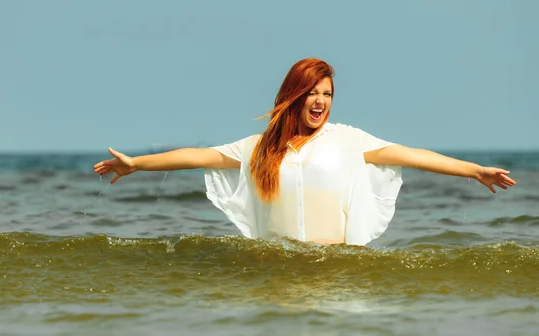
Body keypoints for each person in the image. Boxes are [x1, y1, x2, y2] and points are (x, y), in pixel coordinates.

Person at [93, 58, 516, 246]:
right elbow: (197, 157)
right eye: (312, 93)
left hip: (332, 265)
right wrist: (136, 164)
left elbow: (412, 155)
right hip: (277, 265)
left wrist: (473, 170)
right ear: (293, 96)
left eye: (327, 93)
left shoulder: (350, 140)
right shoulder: (261, 149)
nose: (320, 101)